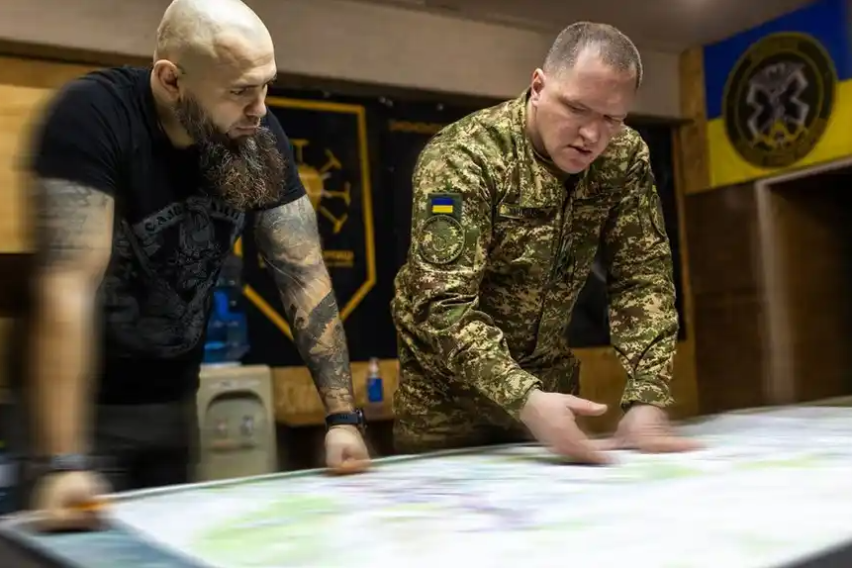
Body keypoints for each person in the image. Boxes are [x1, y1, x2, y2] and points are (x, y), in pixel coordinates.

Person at [23, 0, 369, 531]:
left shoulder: (254, 134)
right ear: (171, 81)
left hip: (175, 402)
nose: (260, 109)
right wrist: (64, 461)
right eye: (240, 91)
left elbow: (302, 273)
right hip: (79, 411)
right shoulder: (93, 117)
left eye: (266, 86)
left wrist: (342, 418)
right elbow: (68, 289)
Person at [391, 22, 700, 462]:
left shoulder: (623, 157)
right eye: (577, 108)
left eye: (611, 118)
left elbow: (642, 275)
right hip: (446, 407)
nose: (591, 135)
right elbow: (440, 302)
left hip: (552, 400)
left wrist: (647, 396)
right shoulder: (465, 156)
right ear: (538, 87)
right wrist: (524, 398)